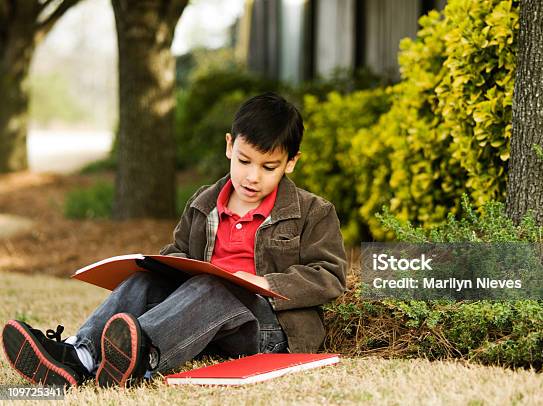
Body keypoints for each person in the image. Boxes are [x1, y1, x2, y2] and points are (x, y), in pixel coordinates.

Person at [2, 92, 347, 388]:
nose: (252, 176)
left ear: (290, 163)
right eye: (244, 161)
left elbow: (330, 276)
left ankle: (142, 354)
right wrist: (161, 266)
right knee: (145, 281)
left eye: (268, 167)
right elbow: (181, 253)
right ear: (229, 146)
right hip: (203, 322)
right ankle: (77, 357)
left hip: (268, 330)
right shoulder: (203, 203)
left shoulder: (312, 212)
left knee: (215, 286)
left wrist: (262, 282)